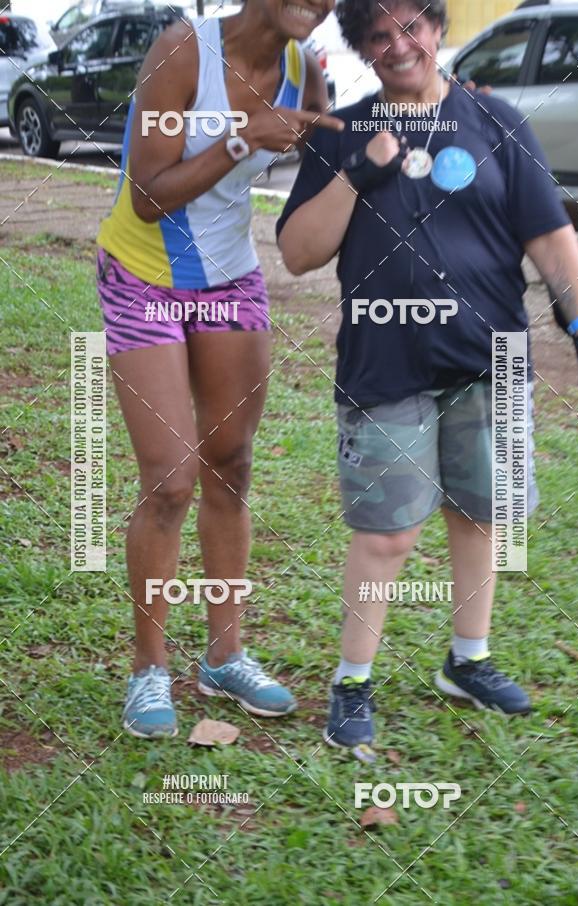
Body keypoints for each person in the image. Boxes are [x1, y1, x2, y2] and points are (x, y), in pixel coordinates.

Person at [277, 0, 578, 754]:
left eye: (413, 27)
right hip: (385, 363)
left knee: (482, 513)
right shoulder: (345, 130)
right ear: (361, 47)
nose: (399, 46)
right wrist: (362, 169)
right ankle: (352, 679)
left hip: (493, 357)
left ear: (437, 28)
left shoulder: (498, 123)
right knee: (386, 533)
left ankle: (469, 659)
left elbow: (551, 241)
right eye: (379, 35)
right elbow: (296, 251)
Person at [96, 0, 343, 738]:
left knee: (230, 465)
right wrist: (241, 142)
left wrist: (428, 118)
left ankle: (225, 654)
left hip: (231, 276)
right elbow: (146, 196)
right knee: (171, 478)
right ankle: (148, 668)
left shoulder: (305, 72)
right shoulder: (183, 53)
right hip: (142, 273)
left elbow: (323, 165)